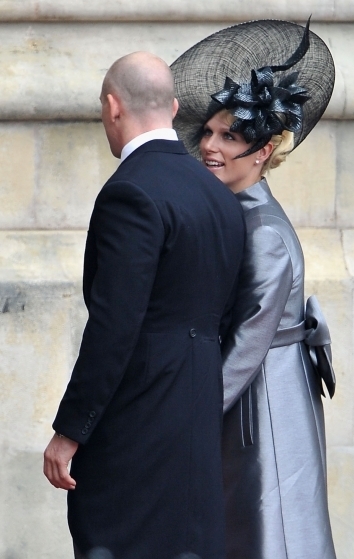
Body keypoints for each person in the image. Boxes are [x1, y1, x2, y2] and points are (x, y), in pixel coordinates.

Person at [43, 51, 245, 559]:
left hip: (138, 424)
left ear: (113, 107)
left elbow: (115, 324)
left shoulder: (130, 191)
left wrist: (70, 430)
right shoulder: (218, 194)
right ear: (174, 108)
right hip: (199, 415)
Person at [172, 19, 337, 559]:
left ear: (263, 151)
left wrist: (187, 420)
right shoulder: (238, 213)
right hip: (258, 391)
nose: (210, 146)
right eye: (210, 133)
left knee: (272, 527)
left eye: (230, 137)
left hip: (264, 397)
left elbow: (246, 345)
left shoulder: (262, 230)